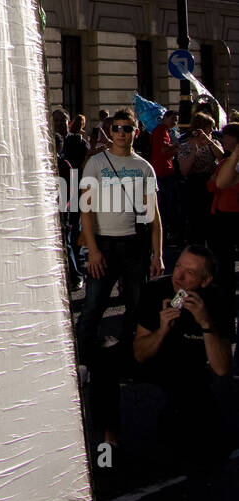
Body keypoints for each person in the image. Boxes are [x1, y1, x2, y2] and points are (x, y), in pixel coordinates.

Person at [133, 244, 235, 468]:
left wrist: (206, 324)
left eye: (190, 273)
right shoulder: (155, 291)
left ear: (206, 281)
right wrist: (162, 330)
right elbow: (140, 355)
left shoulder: (217, 300)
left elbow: (221, 368)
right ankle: (112, 449)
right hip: (156, 364)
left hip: (191, 372)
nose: (178, 276)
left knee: (215, 450)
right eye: (178, 266)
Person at [76, 109, 163, 368]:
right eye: (116, 128)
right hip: (103, 242)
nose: (121, 133)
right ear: (109, 131)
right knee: (93, 304)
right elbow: (86, 209)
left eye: (127, 128)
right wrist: (93, 250)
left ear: (136, 132)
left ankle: (127, 357)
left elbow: (154, 215)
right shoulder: (96, 163)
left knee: (136, 305)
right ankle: (84, 361)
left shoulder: (144, 167)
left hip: (135, 243)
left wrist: (157, 254)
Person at [209, 125, 239, 374]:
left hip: (231, 217)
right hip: (225, 218)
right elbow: (220, 182)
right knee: (225, 277)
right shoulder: (231, 161)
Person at [177, 112, 223, 244]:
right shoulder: (186, 145)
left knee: (212, 221)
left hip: (211, 183)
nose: (212, 131)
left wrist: (208, 142)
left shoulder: (213, 142)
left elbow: (222, 158)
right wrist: (193, 150)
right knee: (195, 222)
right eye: (210, 127)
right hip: (194, 185)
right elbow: (184, 170)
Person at [150, 109, 180, 243]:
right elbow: (163, 150)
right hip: (162, 172)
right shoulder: (161, 131)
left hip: (165, 171)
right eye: (173, 119)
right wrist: (176, 146)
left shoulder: (165, 131)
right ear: (165, 118)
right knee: (165, 206)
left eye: (176, 120)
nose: (175, 122)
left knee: (166, 205)